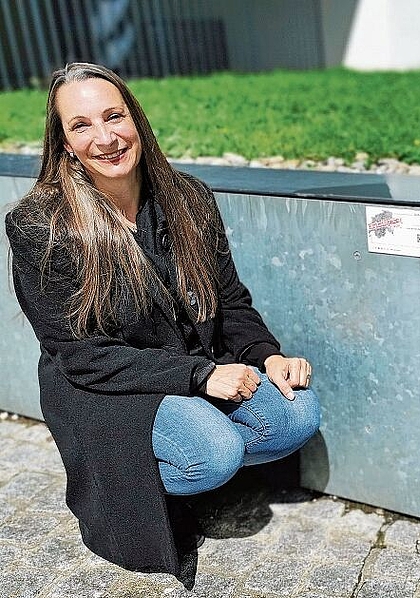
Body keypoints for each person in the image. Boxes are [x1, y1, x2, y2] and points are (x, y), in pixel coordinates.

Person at [5, 62, 321, 579]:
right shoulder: (41, 225)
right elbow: (82, 357)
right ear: (62, 143)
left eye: (114, 116)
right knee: (214, 450)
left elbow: (231, 302)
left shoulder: (188, 197)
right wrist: (201, 379)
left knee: (296, 413)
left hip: (186, 364)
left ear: (137, 119)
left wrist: (268, 356)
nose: (105, 138)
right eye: (81, 125)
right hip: (105, 388)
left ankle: (186, 450)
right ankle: (149, 485)